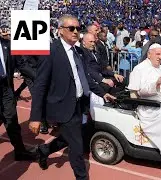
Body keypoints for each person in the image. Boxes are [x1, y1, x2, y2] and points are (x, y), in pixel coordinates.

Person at [28, 15, 115, 180]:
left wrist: (102, 93)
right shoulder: (51, 52)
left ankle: (44, 150)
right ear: (60, 31)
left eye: (78, 28)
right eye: (71, 28)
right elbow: (40, 85)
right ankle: (82, 177)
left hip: (79, 104)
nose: (76, 32)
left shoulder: (79, 51)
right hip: (62, 105)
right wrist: (35, 117)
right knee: (77, 145)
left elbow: (86, 78)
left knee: (71, 137)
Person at [0, 36, 35, 161]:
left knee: (12, 120)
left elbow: (21, 64)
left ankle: (20, 152)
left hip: (5, 89)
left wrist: (38, 78)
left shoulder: (7, 44)